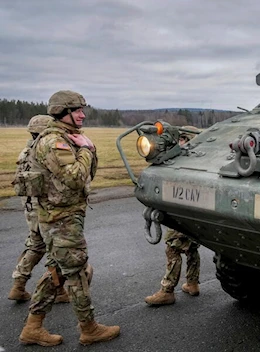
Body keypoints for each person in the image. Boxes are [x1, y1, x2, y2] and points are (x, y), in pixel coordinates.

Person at [18, 90, 120, 347]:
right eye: (77, 110)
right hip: (60, 219)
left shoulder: (65, 137)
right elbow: (74, 178)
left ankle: (33, 327)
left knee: (58, 271)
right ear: (63, 112)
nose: (82, 114)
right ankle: (89, 328)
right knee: (78, 271)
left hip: (62, 216)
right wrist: (86, 149)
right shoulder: (54, 141)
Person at [8, 115, 69, 304]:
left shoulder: (26, 151)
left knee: (36, 244)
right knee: (52, 247)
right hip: (42, 205)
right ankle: (57, 290)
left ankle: (19, 284)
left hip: (29, 204)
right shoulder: (44, 151)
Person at [144, 126, 202, 306]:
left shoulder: (185, 160)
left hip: (183, 212)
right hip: (197, 212)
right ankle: (192, 283)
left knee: (172, 247)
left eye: (183, 139)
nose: (180, 143)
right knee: (191, 248)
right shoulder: (200, 160)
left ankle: (167, 290)